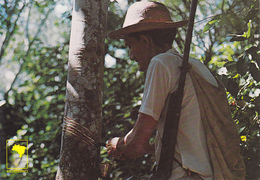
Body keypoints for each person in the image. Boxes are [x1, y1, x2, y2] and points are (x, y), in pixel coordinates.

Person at [106, 1, 245, 180]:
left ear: (145, 40)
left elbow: (136, 145)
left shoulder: (161, 63)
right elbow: (189, 140)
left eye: (130, 46)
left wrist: (118, 145)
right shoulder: (194, 65)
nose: (131, 55)